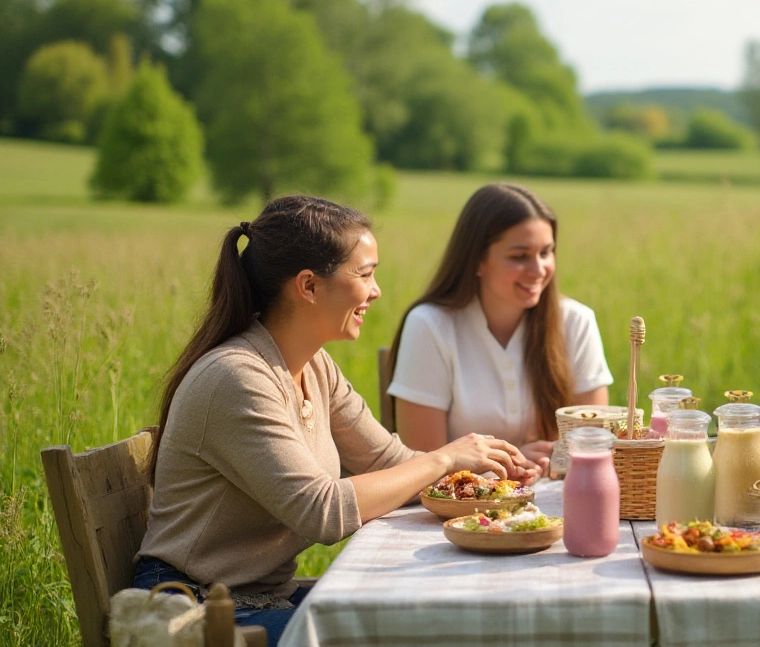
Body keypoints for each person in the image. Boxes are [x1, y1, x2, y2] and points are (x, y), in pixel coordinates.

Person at [134, 195, 538, 646]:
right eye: (365, 274)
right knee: (411, 635)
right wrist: (444, 459)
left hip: (260, 601)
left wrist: (481, 476)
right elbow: (322, 511)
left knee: (433, 617)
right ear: (308, 286)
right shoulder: (236, 377)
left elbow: (388, 460)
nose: (376, 290)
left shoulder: (316, 367)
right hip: (191, 610)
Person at [388, 183, 613, 473]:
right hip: (460, 512)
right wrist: (512, 460)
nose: (538, 269)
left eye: (546, 252)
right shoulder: (429, 326)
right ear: (477, 261)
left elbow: (594, 445)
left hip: (560, 504)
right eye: (519, 256)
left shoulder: (576, 321)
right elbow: (421, 466)